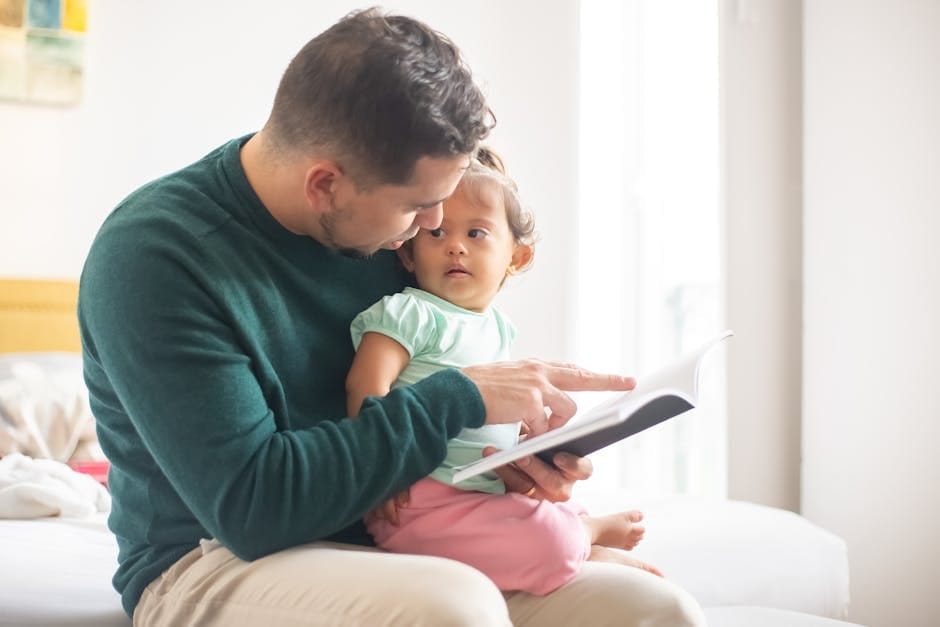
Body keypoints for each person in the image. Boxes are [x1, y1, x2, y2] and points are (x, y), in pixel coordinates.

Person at [78, 8, 706, 627]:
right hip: (212, 558)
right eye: (418, 206)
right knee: (451, 609)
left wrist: (509, 461)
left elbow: (429, 408)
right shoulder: (156, 256)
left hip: (409, 536)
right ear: (325, 186)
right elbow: (255, 509)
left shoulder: (388, 234)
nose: (434, 227)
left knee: (655, 610)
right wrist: (455, 402)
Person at [347, 147, 664, 595]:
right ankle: (583, 540)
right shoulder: (409, 313)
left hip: (482, 491)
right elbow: (365, 384)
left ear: (516, 258)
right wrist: (381, 468)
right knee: (548, 540)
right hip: (417, 501)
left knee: (531, 516)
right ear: (409, 256)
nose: (455, 245)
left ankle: (579, 533)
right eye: (437, 232)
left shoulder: (498, 329)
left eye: (476, 233)